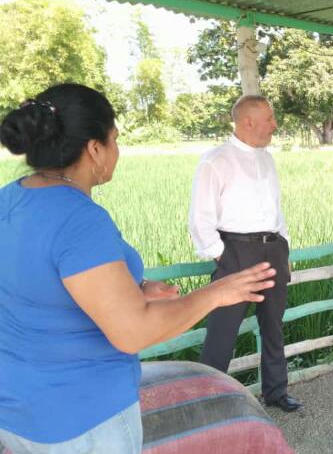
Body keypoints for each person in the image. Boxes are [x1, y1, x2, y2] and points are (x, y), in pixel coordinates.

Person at [0, 84, 276, 454]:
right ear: (94, 149)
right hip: (82, 416)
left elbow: (37, 280)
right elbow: (133, 332)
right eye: (114, 139)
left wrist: (135, 285)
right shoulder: (79, 219)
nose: (117, 150)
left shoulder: (10, 198)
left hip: (17, 409)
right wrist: (216, 293)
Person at [188, 95, 301, 412]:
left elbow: (276, 210)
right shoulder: (215, 160)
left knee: (273, 326)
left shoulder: (268, 159)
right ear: (248, 121)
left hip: (273, 248)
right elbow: (200, 218)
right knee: (222, 331)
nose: (275, 125)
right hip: (236, 251)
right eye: (270, 118)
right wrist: (223, 256)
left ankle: (276, 392)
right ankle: (208, 402)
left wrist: (284, 248)